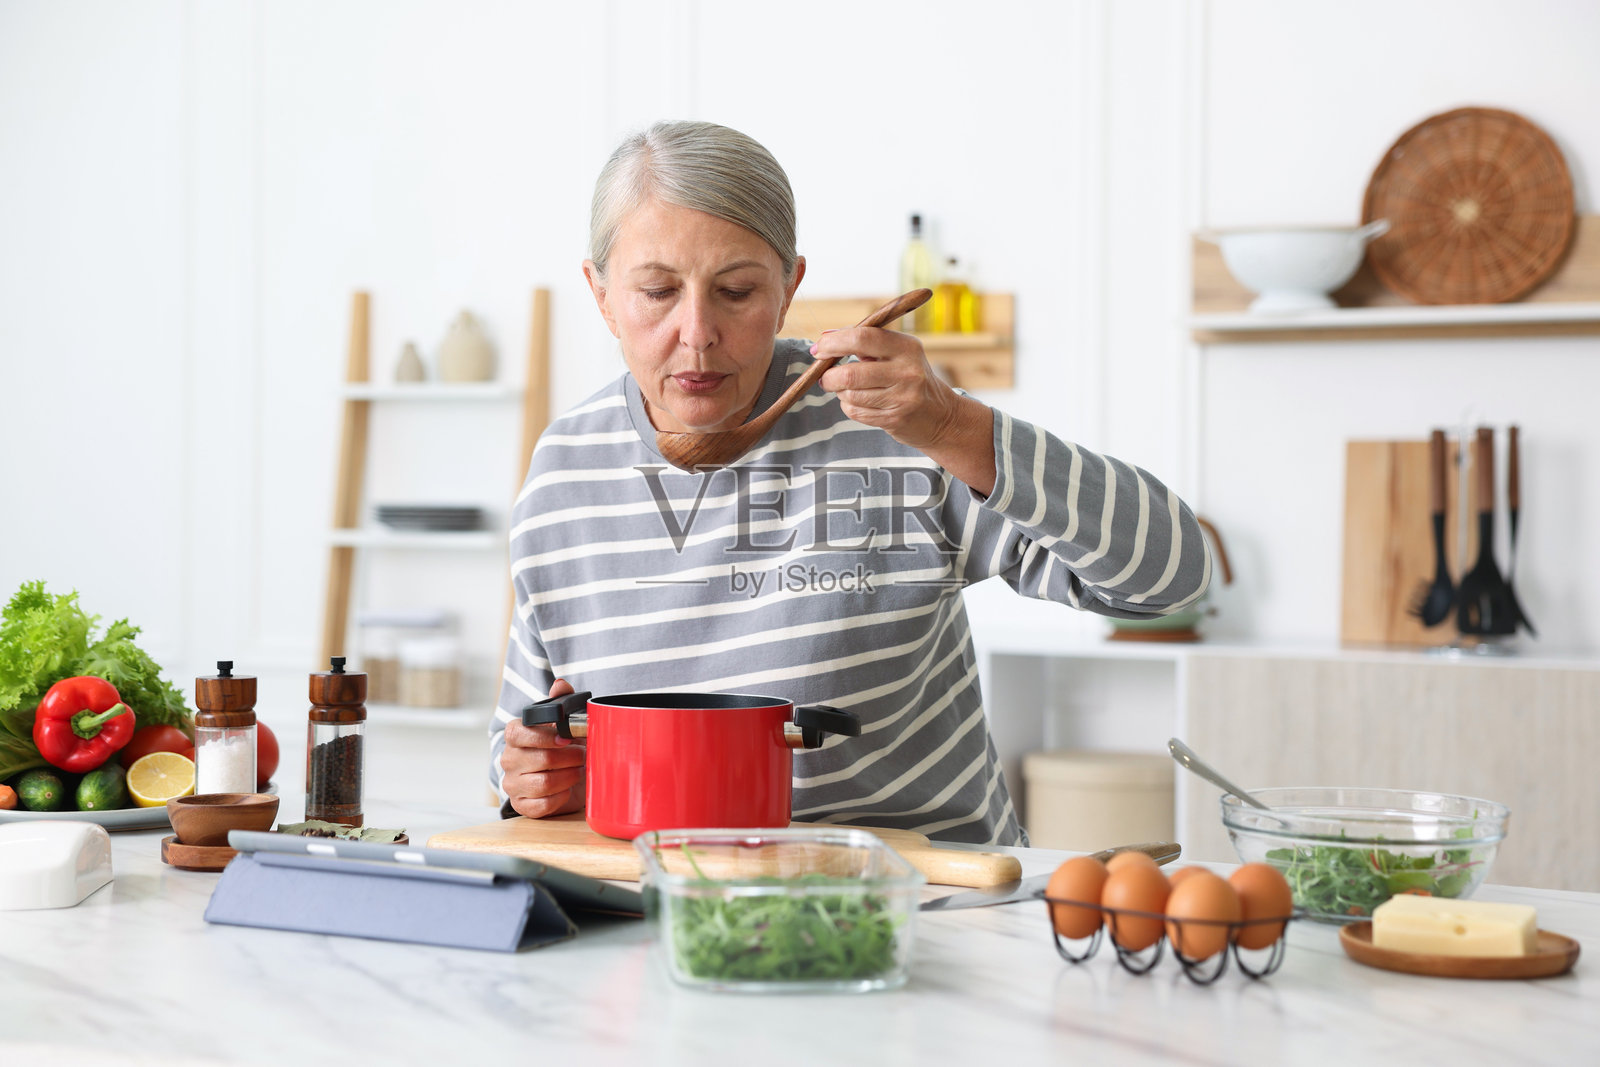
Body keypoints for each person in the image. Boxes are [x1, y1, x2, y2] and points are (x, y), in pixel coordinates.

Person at [490, 120, 1209, 845]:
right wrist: (531, 778)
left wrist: (956, 426)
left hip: (925, 908)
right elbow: (519, 743)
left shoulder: (896, 431)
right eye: (657, 291)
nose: (698, 330)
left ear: (789, 287)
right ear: (602, 293)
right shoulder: (564, 472)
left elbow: (1167, 575)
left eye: (736, 290)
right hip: (674, 911)